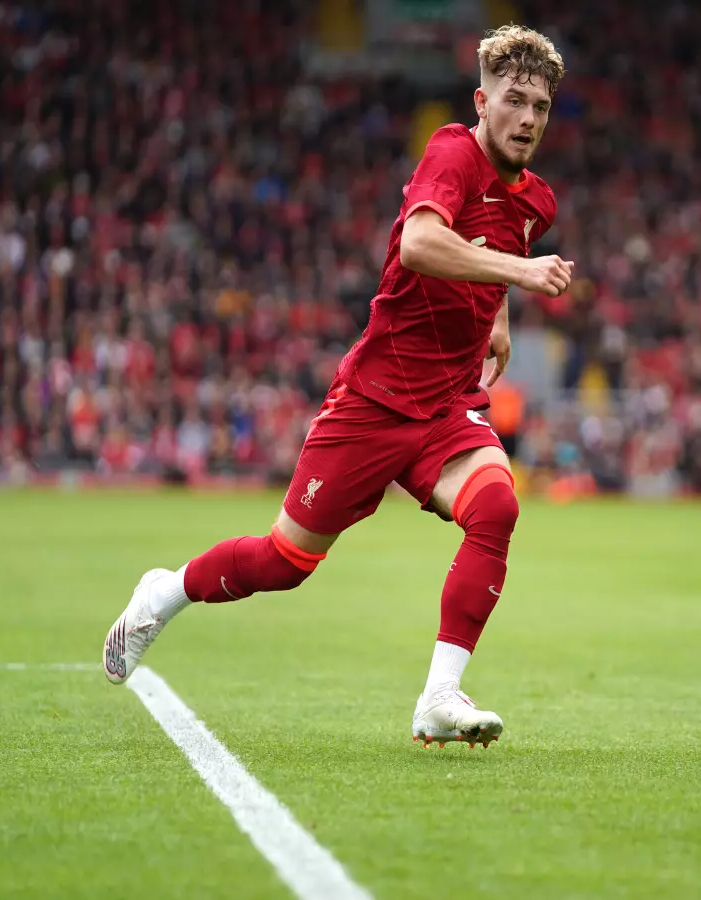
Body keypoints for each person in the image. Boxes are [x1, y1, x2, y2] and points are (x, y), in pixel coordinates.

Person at [102, 25, 573, 749]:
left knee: (497, 506)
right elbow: (421, 241)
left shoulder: (535, 199)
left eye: (541, 106)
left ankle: (438, 697)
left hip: (448, 404)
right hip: (375, 402)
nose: (529, 118)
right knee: (283, 563)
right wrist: (519, 276)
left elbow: (501, 240)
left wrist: (500, 320)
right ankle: (164, 592)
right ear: (483, 102)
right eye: (515, 101)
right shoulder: (452, 152)